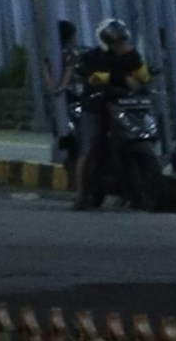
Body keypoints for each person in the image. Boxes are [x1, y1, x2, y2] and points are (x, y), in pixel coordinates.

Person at [66, 16, 159, 210]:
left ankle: (135, 187)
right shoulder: (92, 57)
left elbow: (143, 78)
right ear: (105, 41)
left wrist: (133, 60)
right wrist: (123, 78)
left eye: (122, 40)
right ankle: (81, 195)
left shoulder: (130, 55)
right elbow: (92, 77)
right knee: (91, 146)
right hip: (96, 106)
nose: (119, 44)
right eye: (115, 41)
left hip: (125, 105)